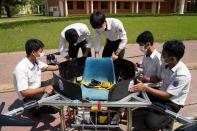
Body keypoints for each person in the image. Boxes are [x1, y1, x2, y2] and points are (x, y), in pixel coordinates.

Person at [129, 40, 191, 130]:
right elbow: (158, 78)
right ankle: (157, 113)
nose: (161, 55)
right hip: (162, 94)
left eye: (164, 54)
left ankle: (167, 121)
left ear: (172, 59)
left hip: (172, 102)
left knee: (151, 123)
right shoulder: (166, 63)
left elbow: (167, 96)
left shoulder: (182, 75)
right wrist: (144, 79)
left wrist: (145, 87)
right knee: (139, 95)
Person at [13, 39, 59, 115]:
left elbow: (47, 67)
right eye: (40, 52)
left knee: (57, 80)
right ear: (33, 52)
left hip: (38, 87)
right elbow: (24, 92)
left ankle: (45, 99)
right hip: (29, 95)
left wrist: (63, 65)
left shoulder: (35, 61)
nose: (42, 54)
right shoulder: (21, 68)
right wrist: (44, 89)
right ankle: (32, 108)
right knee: (55, 108)